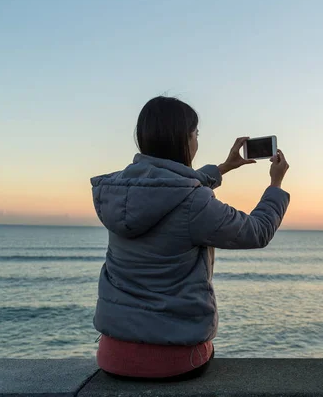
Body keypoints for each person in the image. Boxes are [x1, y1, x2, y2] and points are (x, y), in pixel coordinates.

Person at [90, 96, 290, 380]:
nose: (197, 140)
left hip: (112, 355)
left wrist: (223, 167)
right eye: (196, 134)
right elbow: (257, 231)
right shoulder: (194, 204)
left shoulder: (118, 190)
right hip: (172, 358)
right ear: (183, 139)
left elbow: (171, 188)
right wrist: (276, 185)